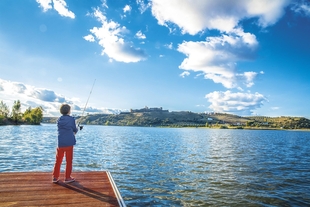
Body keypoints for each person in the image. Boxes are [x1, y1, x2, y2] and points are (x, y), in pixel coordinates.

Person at [52, 104, 80, 183]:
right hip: (69, 143)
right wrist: (76, 129)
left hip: (60, 143)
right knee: (69, 161)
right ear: (68, 111)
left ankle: (55, 177)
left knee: (58, 160)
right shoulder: (72, 119)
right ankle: (67, 178)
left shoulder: (59, 120)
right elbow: (74, 129)